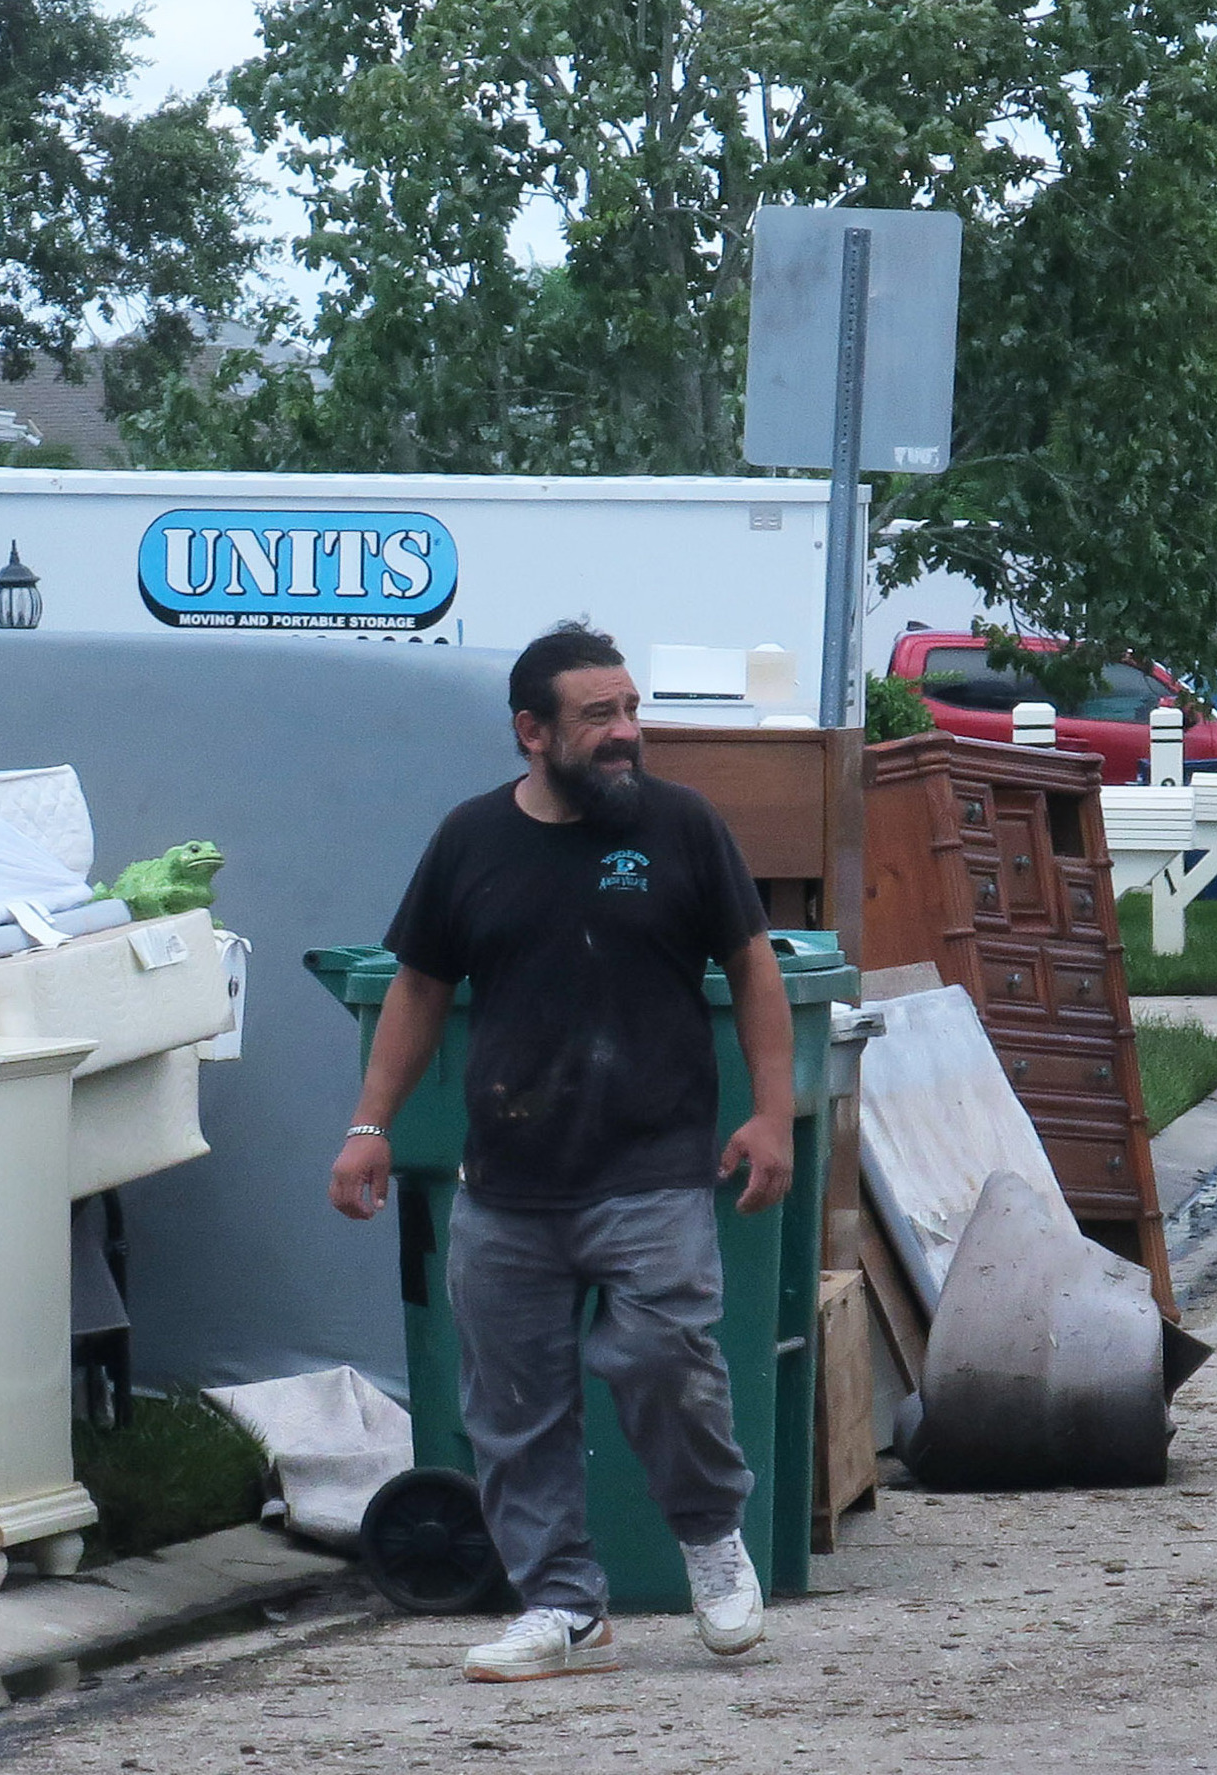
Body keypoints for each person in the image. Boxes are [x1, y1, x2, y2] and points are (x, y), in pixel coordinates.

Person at [330, 620, 800, 1683]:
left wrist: (773, 1111)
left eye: (632, 709)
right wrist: (370, 1125)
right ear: (531, 732)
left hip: (652, 1167)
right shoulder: (468, 841)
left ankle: (711, 1540)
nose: (627, 732)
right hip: (506, 1183)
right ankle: (562, 1604)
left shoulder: (682, 828)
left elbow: (756, 967)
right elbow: (416, 988)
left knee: (664, 1360)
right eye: (601, 716)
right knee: (512, 1407)